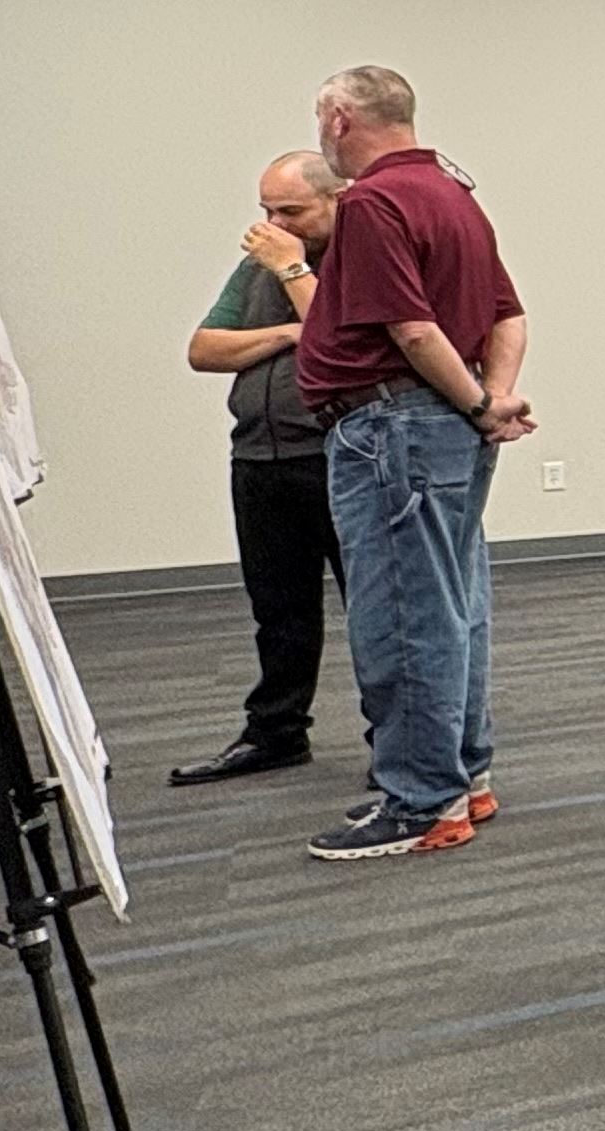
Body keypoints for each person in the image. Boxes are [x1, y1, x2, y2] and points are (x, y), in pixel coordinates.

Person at [294, 66, 533, 859]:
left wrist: (473, 404)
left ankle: (423, 798)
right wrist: (490, 401)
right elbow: (508, 315)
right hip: (442, 427)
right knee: (453, 602)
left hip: (392, 428)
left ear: (337, 119)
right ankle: (465, 776)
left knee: (401, 613)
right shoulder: (454, 194)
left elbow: (411, 330)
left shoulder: (371, 201)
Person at [172, 152, 349, 786]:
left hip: (335, 457)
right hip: (258, 457)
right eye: (268, 210)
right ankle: (276, 732)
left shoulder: (355, 258)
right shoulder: (256, 268)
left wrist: (299, 286)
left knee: (378, 610)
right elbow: (203, 349)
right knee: (278, 609)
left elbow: (343, 337)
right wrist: (285, 334)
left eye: (291, 211)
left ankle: (401, 739)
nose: (274, 224)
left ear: (337, 200)